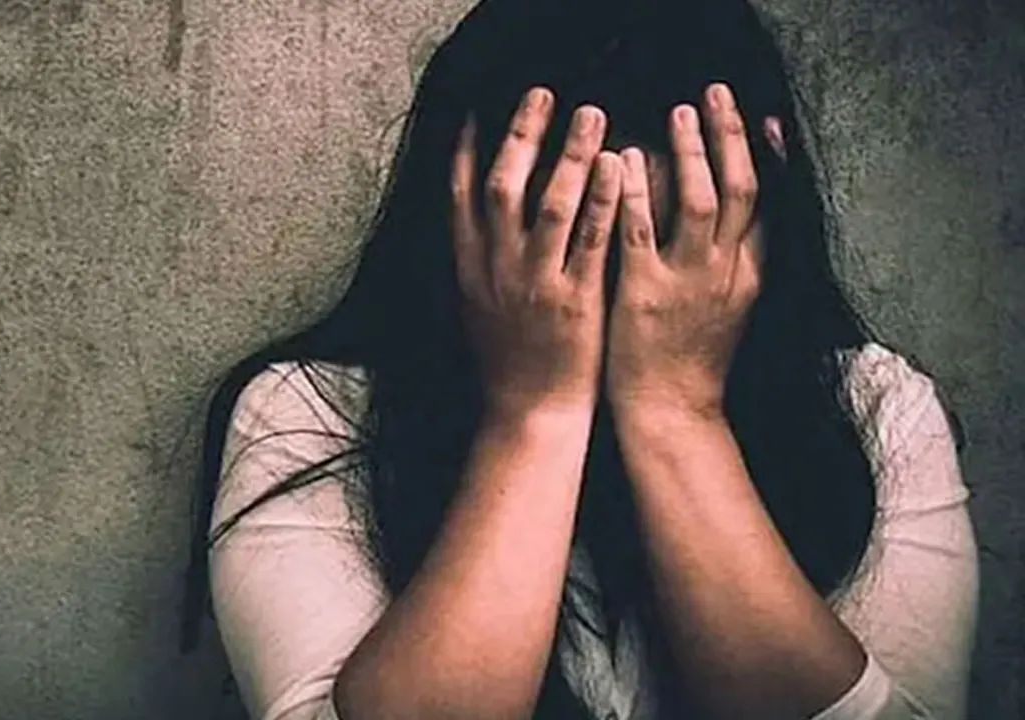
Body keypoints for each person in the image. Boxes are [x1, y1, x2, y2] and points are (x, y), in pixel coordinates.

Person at [178, 0, 979, 717]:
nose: (619, 289)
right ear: (463, 203)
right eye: (560, 232)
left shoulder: (875, 408)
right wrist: (534, 416)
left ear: (757, 198)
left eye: (672, 232)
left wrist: (676, 412)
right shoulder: (310, 413)